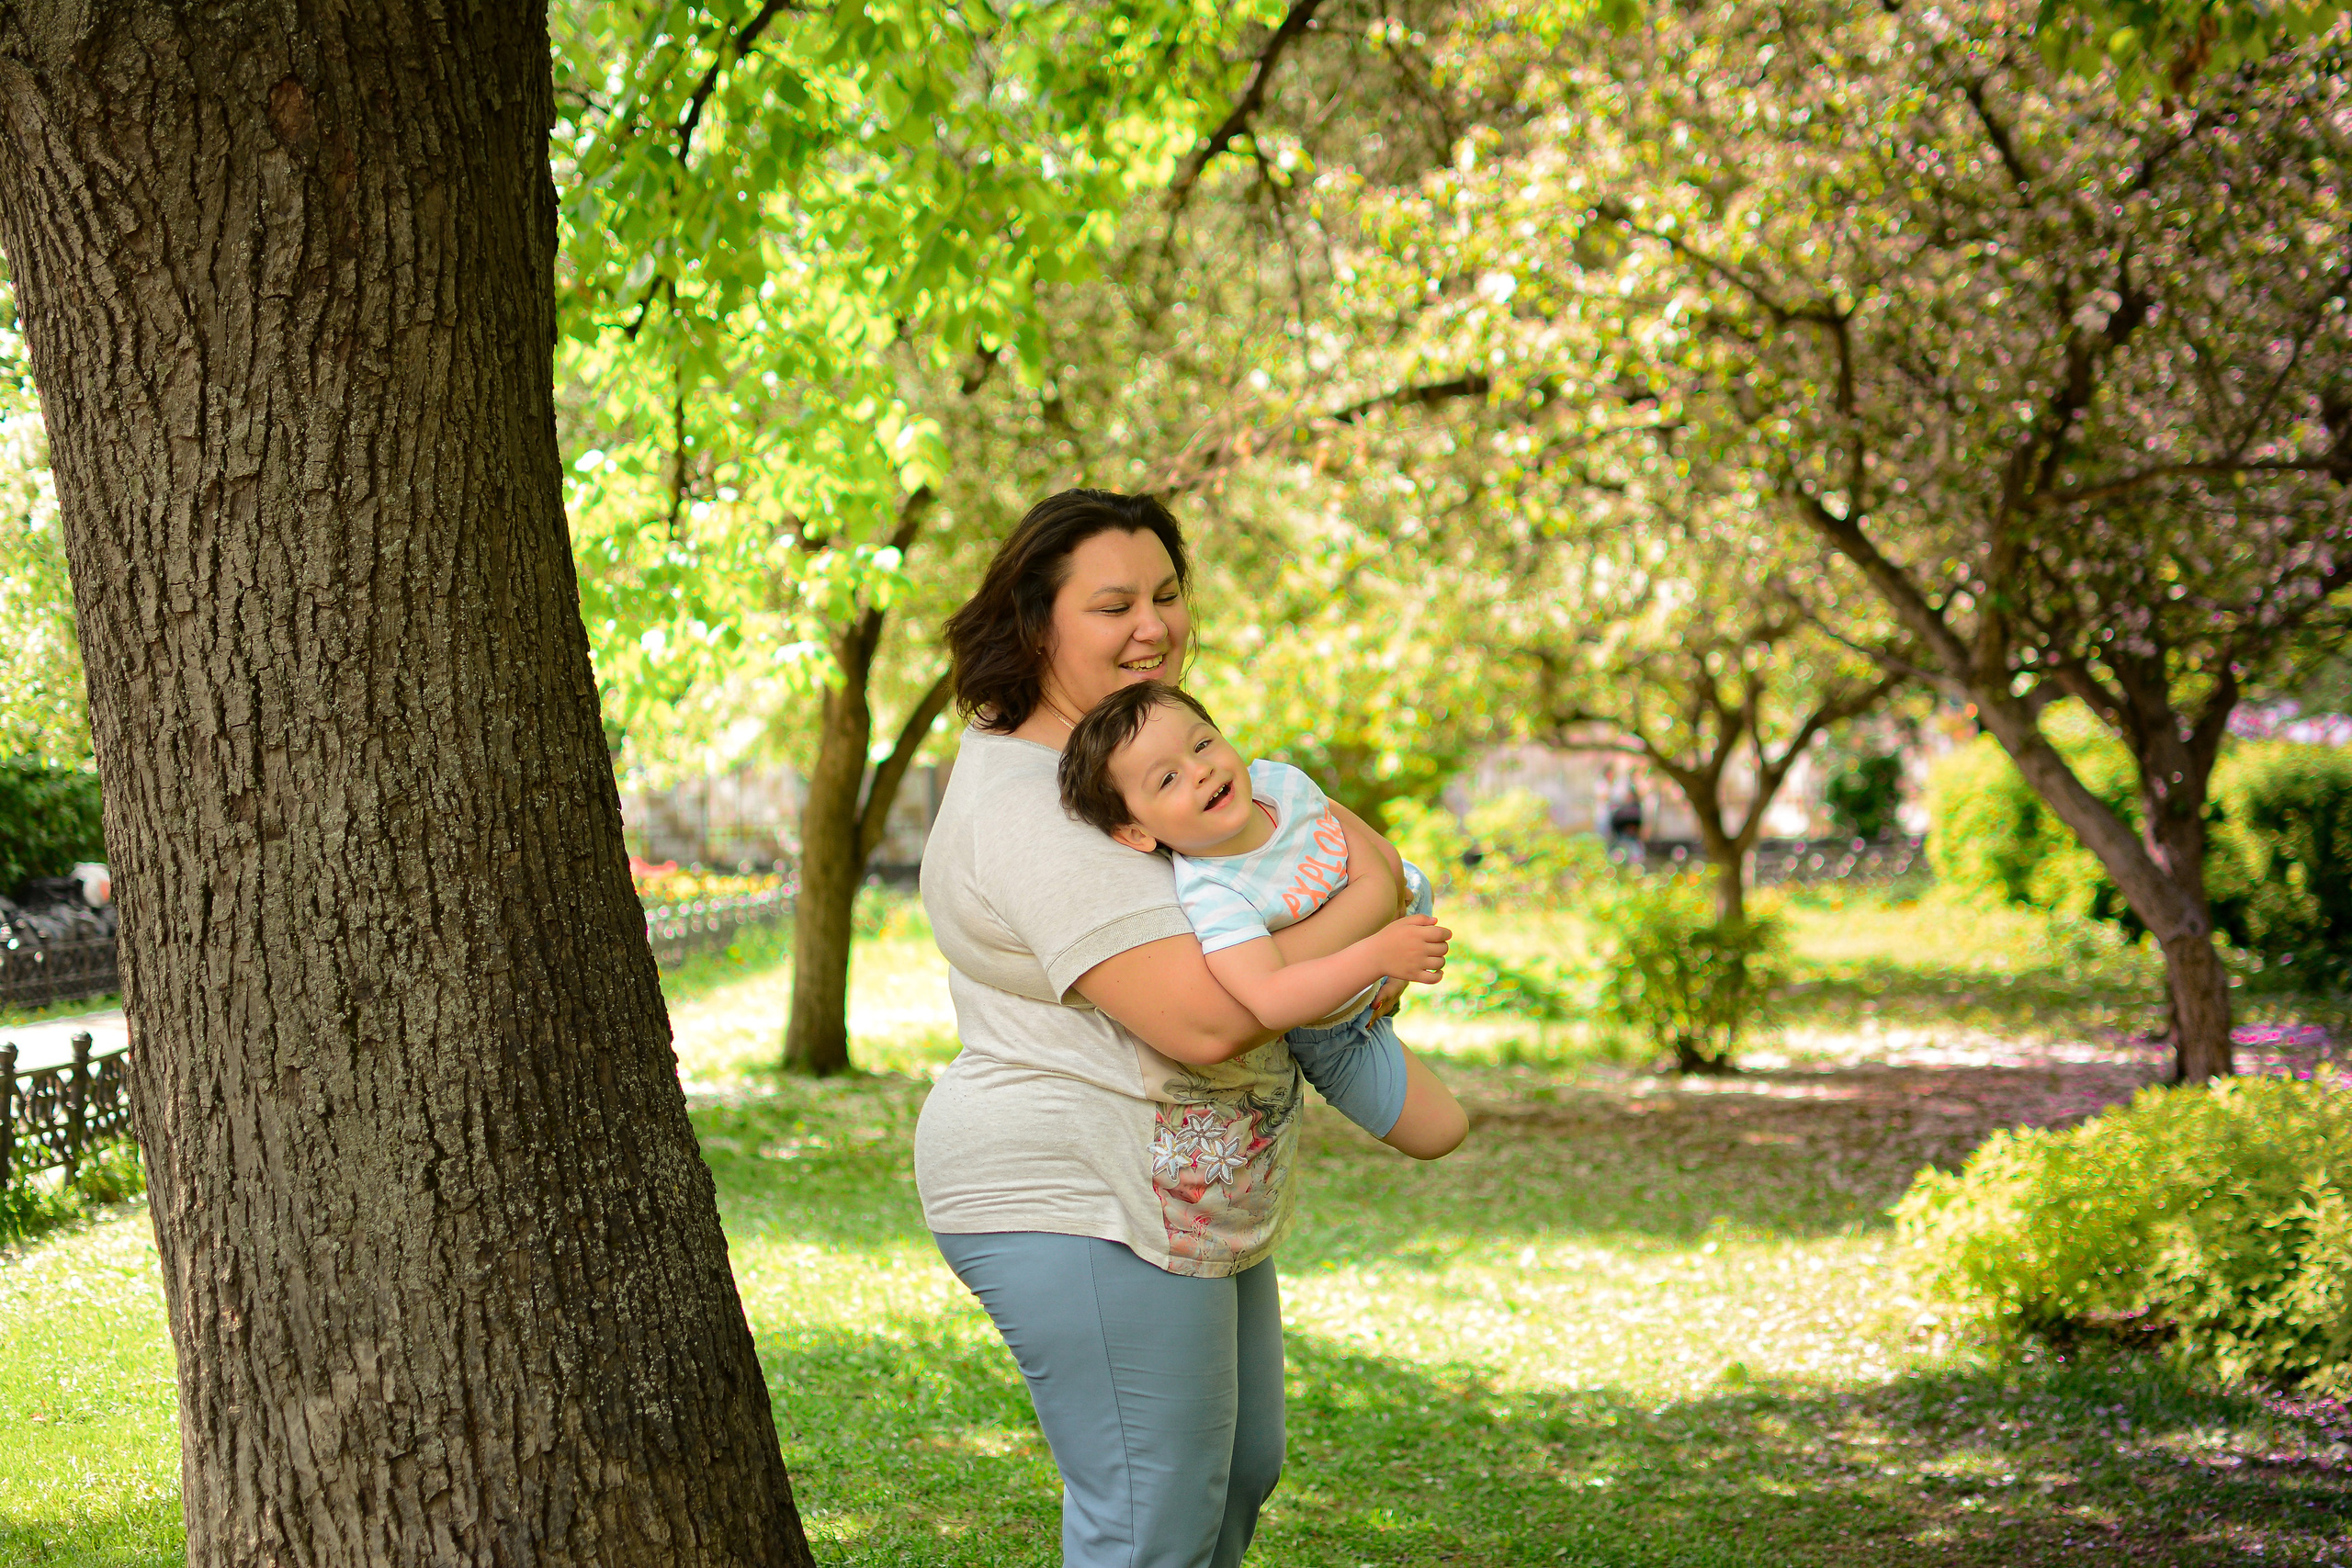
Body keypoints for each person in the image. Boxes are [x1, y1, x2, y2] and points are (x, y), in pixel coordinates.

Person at [916, 489, 1453, 1568]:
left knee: (1231, 1478)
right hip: (1079, 1187)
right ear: (1037, 626)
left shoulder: (1147, 757)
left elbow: (1357, 861)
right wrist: (1359, 940)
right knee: (1152, 1512)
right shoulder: (1030, 800)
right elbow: (1209, 1017)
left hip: (1186, 1183)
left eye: (1166, 593)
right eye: (1113, 605)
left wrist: (1347, 932)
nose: (1153, 626)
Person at [1055, 680, 1468, 1158]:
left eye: (1202, 743)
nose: (1201, 770)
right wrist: (1377, 953)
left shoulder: (1282, 784)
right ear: (1136, 831)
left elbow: (1381, 856)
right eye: (1167, 779)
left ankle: (1389, 994)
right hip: (1333, 1023)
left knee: (1412, 878)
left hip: (1398, 917)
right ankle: (1380, 1005)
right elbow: (1271, 1000)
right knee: (1440, 1132)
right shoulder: (1213, 893)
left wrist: (1392, 925)